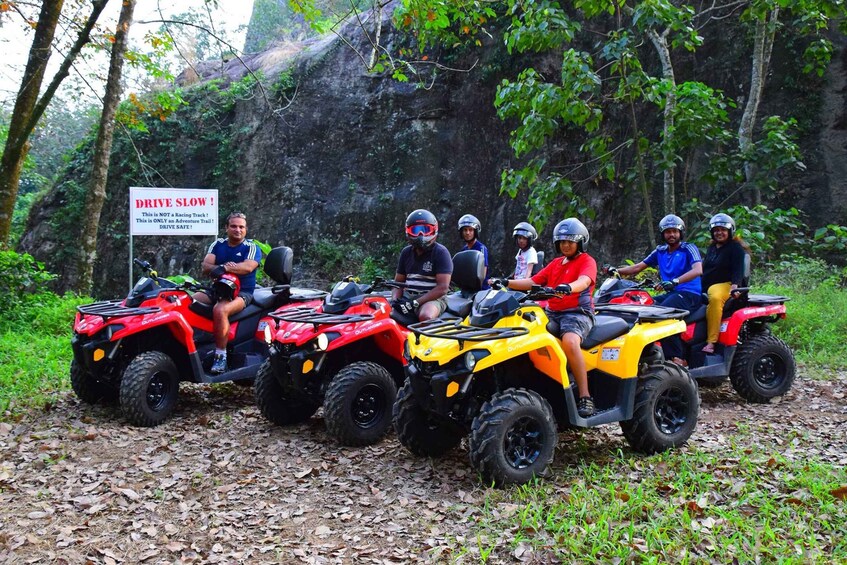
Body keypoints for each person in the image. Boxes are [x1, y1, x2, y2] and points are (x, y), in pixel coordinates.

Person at [489, 218, 597, 418]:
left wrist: (569, 287)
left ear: (581, 242)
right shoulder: (556, 263)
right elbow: (532, 281)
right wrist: (506, 282)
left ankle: (585, 396)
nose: (565, 245)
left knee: (570, 341)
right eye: (562, 242)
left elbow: (585, 281)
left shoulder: (587, 261)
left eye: (570, 241)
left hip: (577, 313)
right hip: (551, 312)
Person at [614, 214, 702, 365]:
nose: (671, 234)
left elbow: (698, 270)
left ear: (681, 232)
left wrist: (675, 281)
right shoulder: (660, 251)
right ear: (663, 234)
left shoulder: (688, 248)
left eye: (675, 231)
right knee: (645, 306)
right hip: (673, 293)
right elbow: (637, 267)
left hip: (689, 294)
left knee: (663, 314)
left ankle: (677, 358)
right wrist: (616, 271)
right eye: (668, 232)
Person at [195, 211, 262, 374]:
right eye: (233, 226)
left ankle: (220, 355)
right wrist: (223, 267)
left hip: (242, 292)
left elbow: (248, 267)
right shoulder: (218, 245)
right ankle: (194, 343)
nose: (237, 230)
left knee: (220, 310)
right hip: (217, 288)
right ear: (226, 228)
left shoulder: (251, 247)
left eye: (241, 227)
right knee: (189, 301)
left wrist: (223, 267)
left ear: (246, 229)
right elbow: (206, 267)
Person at [392, 209, 454, 322]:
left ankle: (424, 339)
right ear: (408, 231)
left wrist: (415, 302)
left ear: (434, 230)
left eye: (426, 230)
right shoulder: (406, 253)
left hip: (433, 298)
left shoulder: (441, 252)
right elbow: (398, 283)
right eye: (416, 230)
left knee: (426, 316)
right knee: (385, 311)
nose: (421, 235)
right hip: (409, 297)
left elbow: (443, 288)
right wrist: (396, 301)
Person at [701, 213, 749, 354]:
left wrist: (735, 286)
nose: (719, 233)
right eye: (716, 230)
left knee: (715, 299)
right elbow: (704, 269)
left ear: (730, 231)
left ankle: (711, 342)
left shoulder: (736, 248)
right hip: (708, 285)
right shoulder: (712, 248)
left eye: (722, 230)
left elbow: (738, 269)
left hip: (726, 284)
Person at [457, 214, 490, 290]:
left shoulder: (481, 248)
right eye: (465, 230)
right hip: (466, 289)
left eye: (470, 230)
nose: (467, 233)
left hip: (480, 290)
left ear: (475, 231)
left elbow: (482, 274)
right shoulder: (464, 250)